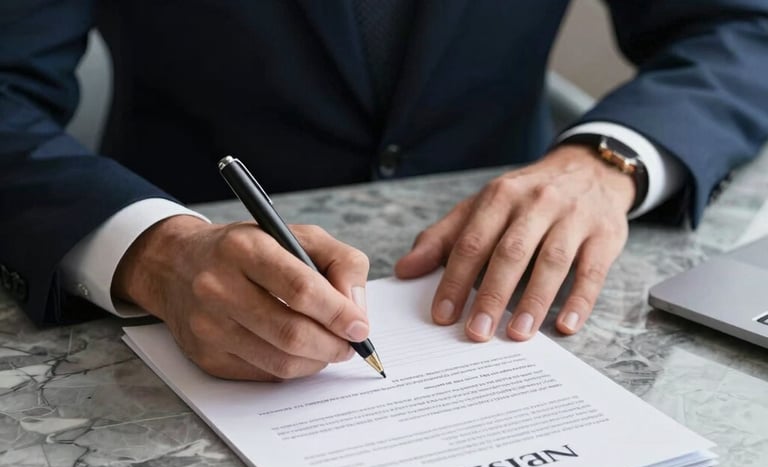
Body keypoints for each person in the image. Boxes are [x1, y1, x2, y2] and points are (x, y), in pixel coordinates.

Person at [1, 1, 767, 381]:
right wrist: (152, 252)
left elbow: (738, 23)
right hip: (175, 295)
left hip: (503, 285)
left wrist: (609, 160)